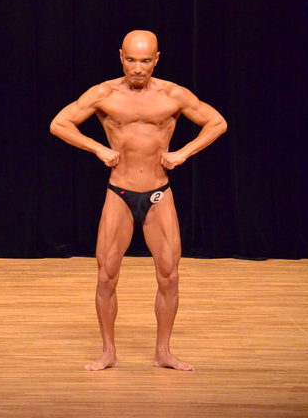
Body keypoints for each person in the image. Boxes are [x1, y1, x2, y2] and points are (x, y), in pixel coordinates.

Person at [50, 30, 227, 371]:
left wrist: (184, 152)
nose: (137, 68)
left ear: (156, 59)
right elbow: (60, 123)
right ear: (121, 56)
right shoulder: (104, 93)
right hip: (119, 192)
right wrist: (97, 148)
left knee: (169, 276)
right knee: (106, 276)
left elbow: (217, 122)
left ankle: (163, 352)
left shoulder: (173, 94)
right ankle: (108, 352)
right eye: (131, 59)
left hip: (159, 193)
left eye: (145, 61)